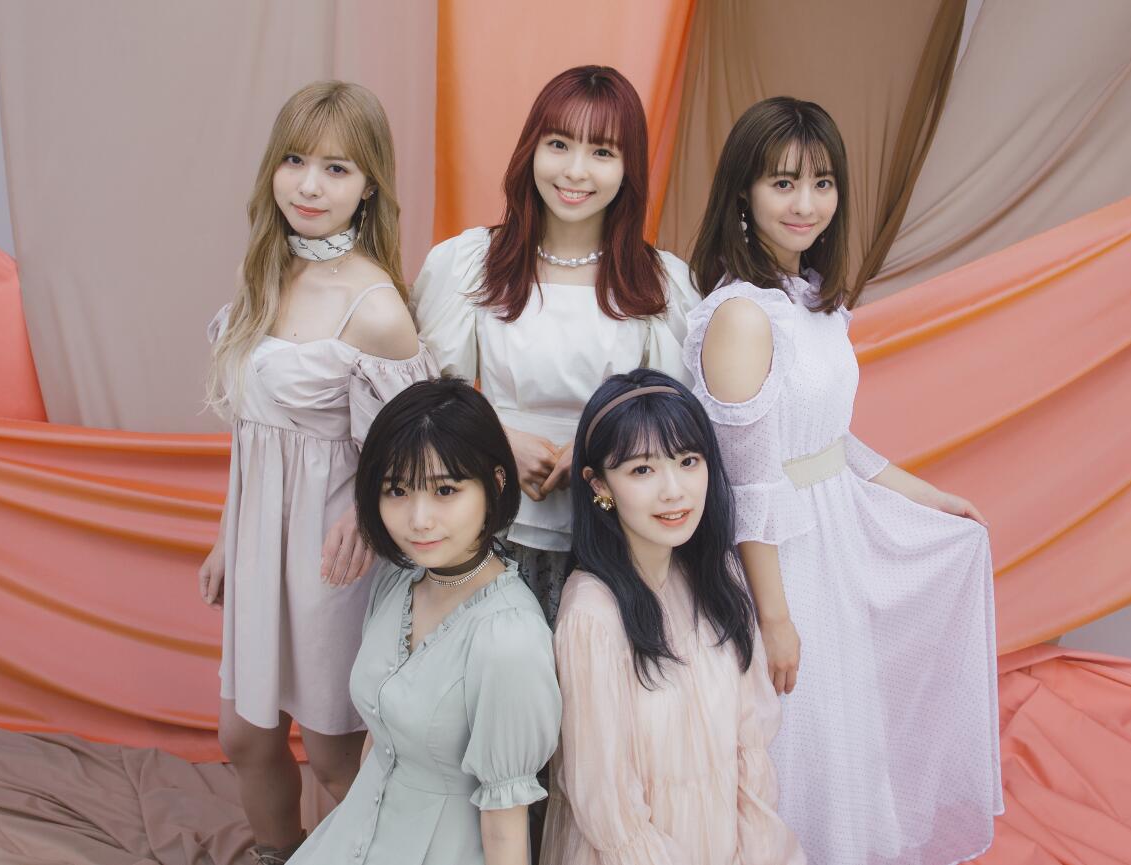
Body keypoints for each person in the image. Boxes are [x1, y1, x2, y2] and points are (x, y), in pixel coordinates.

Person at [684, 97, 1002, 864]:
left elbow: (828, 439)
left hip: (832, 540)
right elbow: (748, 485)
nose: (806, 203)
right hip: (777, 556)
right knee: (791, 731)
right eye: (783, 183)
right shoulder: (743, 317)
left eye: (822, 183)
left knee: (840, 726)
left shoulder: (814, 300)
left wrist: (925, 494)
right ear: (742, 193)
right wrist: (776, 614)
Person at [199, 80, 438, 864]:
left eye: (337, 168)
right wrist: (227, 538)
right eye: (295, 160)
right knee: (244, 733)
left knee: (336, 755)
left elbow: (411, 453)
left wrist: (368, 517)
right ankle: (280, 852)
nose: (309, 185)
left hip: (335, 552)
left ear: (369, 184)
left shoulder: (376, 307)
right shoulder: (263, 272)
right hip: (260, 541)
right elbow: (254, 435)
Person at [411, 65, 699, 624]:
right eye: (559, 144)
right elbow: (424, 399)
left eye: (602, 152)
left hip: (615, 537)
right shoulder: (469, 263)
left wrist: (597, 448)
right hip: (485, 527)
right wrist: (496, 440)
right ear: (532, 150)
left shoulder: (664, 283)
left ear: (629, 168)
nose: (575, 171)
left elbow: (677, 417)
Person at [290, 376, 561, 865]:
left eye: (445, 490)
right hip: (356, 835)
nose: (419, 519)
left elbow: (506, 825)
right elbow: (380, 741)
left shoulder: (509, 639)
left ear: (496, 484)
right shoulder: (398, 581)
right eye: (397, 490)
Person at [541, 369, 804, 865]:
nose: (674, 491)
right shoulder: (592, 617)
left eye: (688, 462)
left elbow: (749, 755)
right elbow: (609, 810)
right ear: (599, 485)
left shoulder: (715, 576)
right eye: (642, 470)